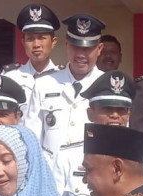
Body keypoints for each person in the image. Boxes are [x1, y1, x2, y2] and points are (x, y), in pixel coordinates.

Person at [51, 69, 143, 196]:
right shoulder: (67, 156)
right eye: (106, 109)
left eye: (121, 110)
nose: (114, 115)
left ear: (129, 114)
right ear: (90, 113)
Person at [29, 13, 105, 158]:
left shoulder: (108, 87)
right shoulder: (44, 84)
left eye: (87, 48)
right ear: (66, 44)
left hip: (89, 176)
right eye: (75, 46)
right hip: (50, 176)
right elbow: (32, 139)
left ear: (99, 48)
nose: (81, 54)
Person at [3, 3, 63, 131]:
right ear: (23, 42)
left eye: (41, 38)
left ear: (53, 42)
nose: (36, 44)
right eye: (30, 39)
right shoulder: (9, 79)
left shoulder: (64, 79)